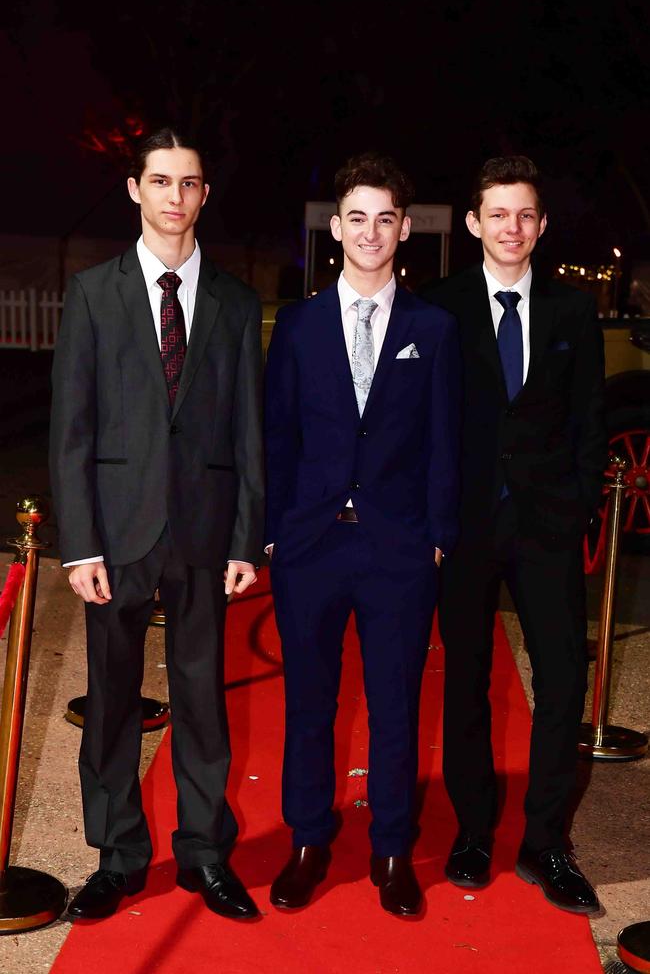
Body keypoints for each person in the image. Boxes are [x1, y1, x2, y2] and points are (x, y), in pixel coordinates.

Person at [49, 127, 264, 921]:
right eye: (162, 181)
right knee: (110, 700)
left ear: (205, 195)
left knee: (203, 699)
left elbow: (250, 434)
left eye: (191, 183)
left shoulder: (237, 304)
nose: (177, 197)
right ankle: (117, 854)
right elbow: (70, 430)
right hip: (115, 535)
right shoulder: (92, 294)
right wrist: (81, 546)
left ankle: (206, 854)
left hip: (206, 536)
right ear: (136, 190)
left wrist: (247, 538)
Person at [264, 153, 461, 916]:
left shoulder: (432, 329)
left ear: (403, 229)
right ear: (336, 227)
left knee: (394, 706)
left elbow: (447, 442)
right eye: (357, 217)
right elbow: (277, 437)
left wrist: (436, 538)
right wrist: (274, 536)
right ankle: (308, 842)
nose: (371, 231)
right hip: (310, 546)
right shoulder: (300, 325)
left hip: (398, 551)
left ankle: (391, 851)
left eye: (386, 217)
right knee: (310, 704)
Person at [421, 155, 607, 914]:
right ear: (474, 222)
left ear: (541, 225)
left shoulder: (572, 311)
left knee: (561, 682)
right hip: (464, 531)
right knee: (466, 683)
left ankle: (546, 843)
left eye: (526, 215)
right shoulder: (438, 308)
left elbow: (591, 421)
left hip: (547, 529)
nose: (513, 228)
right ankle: (472, 831)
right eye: (499, 214)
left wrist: (580, 506)